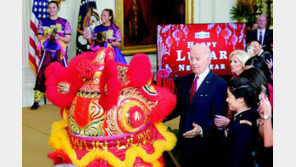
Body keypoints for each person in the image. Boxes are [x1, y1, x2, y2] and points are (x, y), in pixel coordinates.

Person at [165, 44, 228, 167]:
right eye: (191, 58)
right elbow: (178, 108)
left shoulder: (219, 84)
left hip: (205, 146)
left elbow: (218, 117)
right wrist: (158, 117)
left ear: (209, 60)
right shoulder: (185, 81)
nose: (193, 63)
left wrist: (201, 129)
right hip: (185, 143)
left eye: (197, 59)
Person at [31, 1, 71, 110]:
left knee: (64, 74)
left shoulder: (64, 22)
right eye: (50, 8)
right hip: (46, 52)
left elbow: (68, 39)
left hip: (59, 53)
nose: (52, 9)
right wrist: (47, 37)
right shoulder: (43, 21)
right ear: (48, 9)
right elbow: (39, 36)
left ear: (58, 8)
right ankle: (36, 101)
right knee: (41, 73)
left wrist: (58, 37)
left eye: (54, 7)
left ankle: (66, 100)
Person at [222, 77, 259, 167]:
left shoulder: (243, 126)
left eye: (229, 96)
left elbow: (239, 160)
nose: (226, 100)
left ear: (241, 99)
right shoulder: (242, 117)